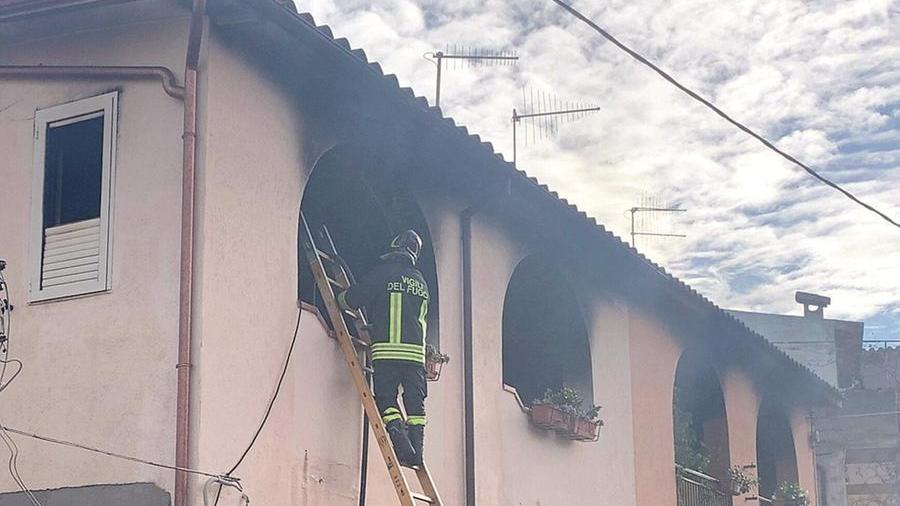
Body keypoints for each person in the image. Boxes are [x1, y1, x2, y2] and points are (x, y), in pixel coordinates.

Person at [337, 229, 430, 467]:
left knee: (387, 399)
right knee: (415, 408)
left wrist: (341, 299)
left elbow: (356, 298)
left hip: (388, 352)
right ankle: (416, 453)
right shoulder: (421, 281)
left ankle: (400, 444)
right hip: (416, 358)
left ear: (395, 247)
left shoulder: (385, 273)